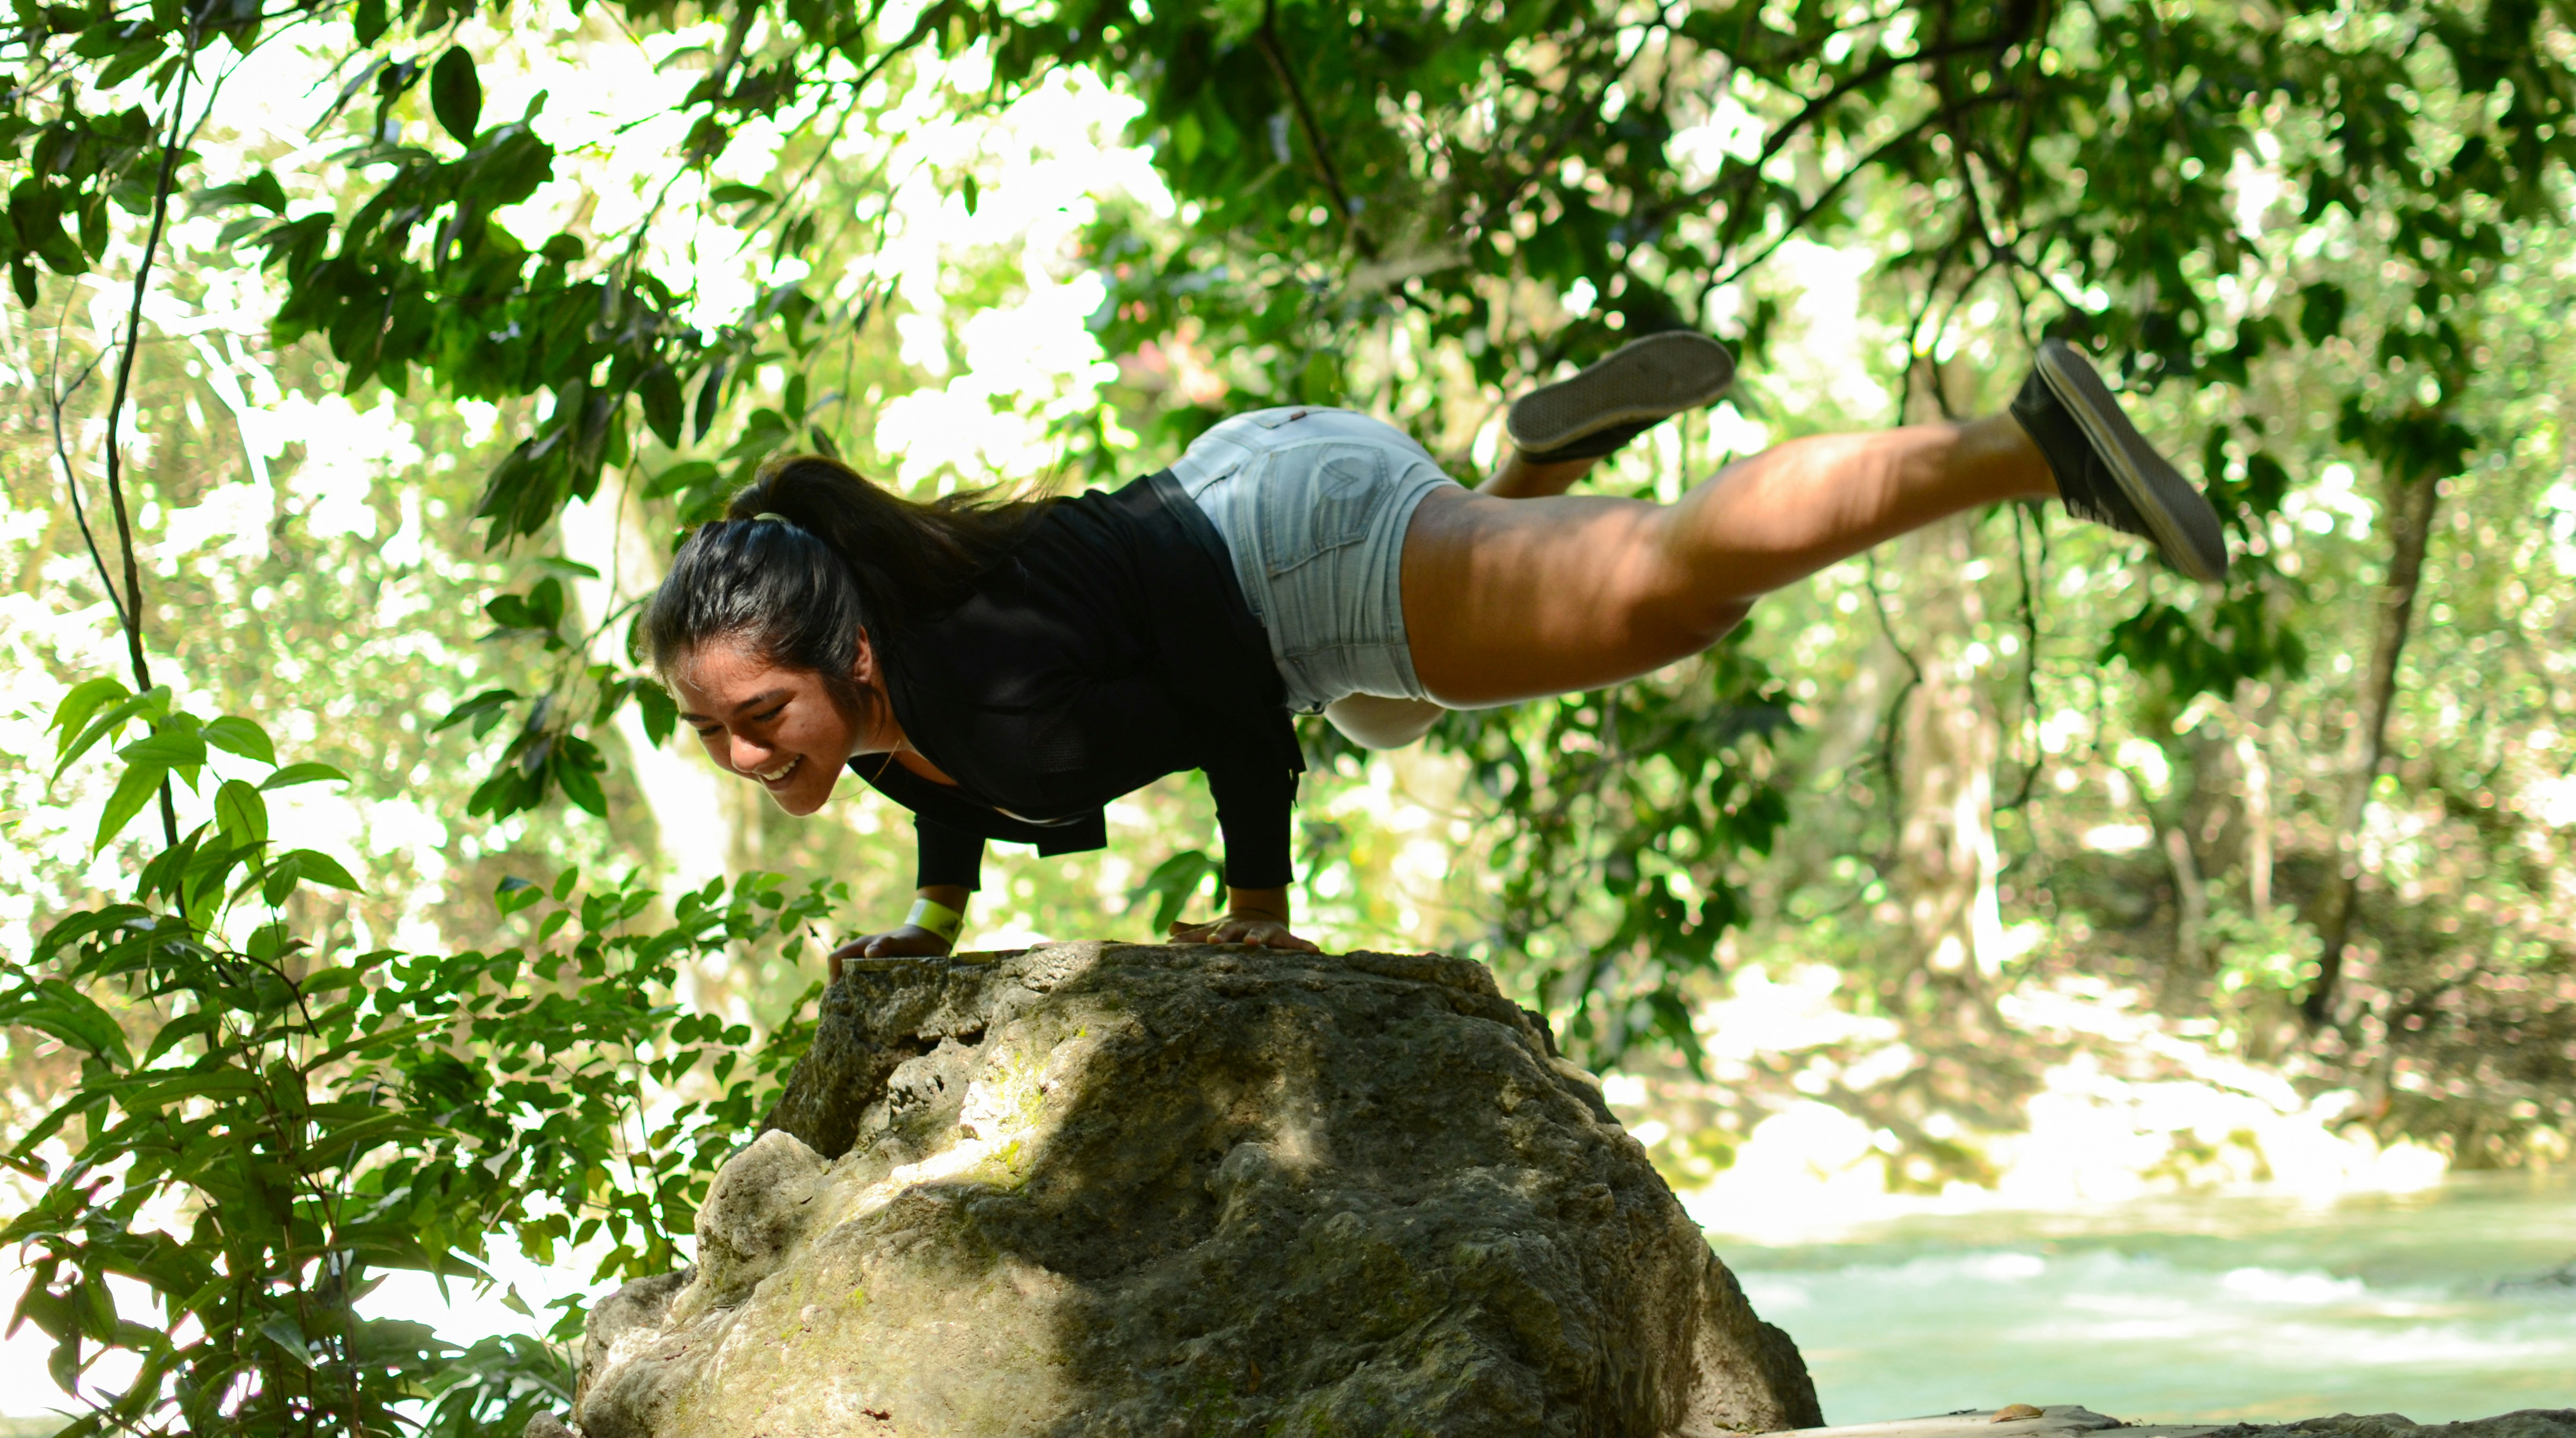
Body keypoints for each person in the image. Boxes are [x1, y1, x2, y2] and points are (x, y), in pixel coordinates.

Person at [644, 334, 2225, 970]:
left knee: (1666, 586)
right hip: (1268, 522)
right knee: (1402, 706)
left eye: (756, 711)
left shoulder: (971, 665)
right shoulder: (892, 699)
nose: (742, 751)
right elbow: (947, 788)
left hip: (1287, 562)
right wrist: (933, 925)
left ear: (845, 652)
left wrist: (1260, 913)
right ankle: (1515, 472)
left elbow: (1220, 710)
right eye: (711, 729)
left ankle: (2028, 444)